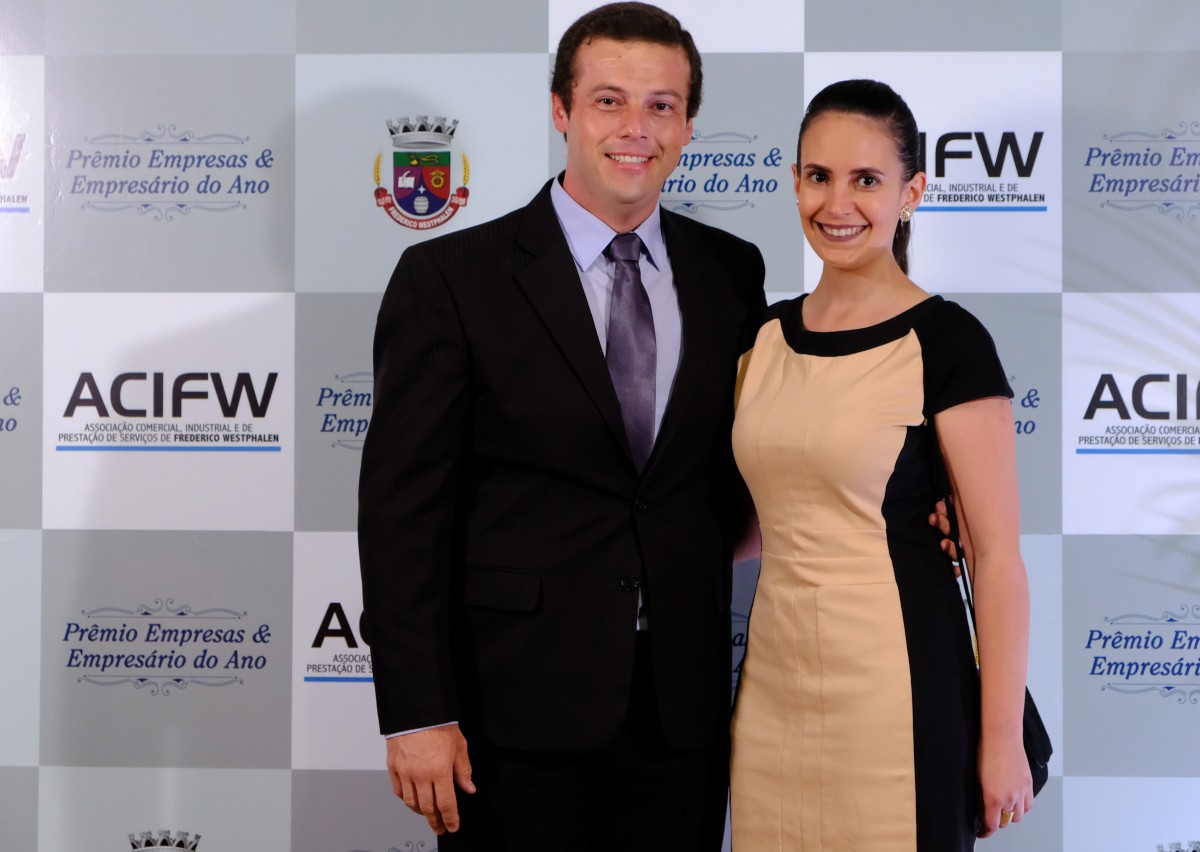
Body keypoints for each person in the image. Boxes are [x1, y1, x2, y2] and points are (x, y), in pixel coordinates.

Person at [358, 4, 765, 849]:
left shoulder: (731, 271)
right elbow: (402, 517)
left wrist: (908, 509)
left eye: (661, 105)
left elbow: (750, 462)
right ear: (561, 111)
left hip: (680, 716)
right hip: (510, 718)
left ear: (688, 125)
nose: (636, 128)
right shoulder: (451, 277)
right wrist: (418, 711)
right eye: (609, 101)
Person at [728, 79, 1033, 851]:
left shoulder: (949, 341)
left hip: (900, 690)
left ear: (911, 192)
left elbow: (997, 557)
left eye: (867, 179)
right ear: (794, 181)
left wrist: (1001, 740)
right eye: (819, 176)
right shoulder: (761, 339)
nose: (838, 204)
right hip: (772, 693)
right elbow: (762, 517)